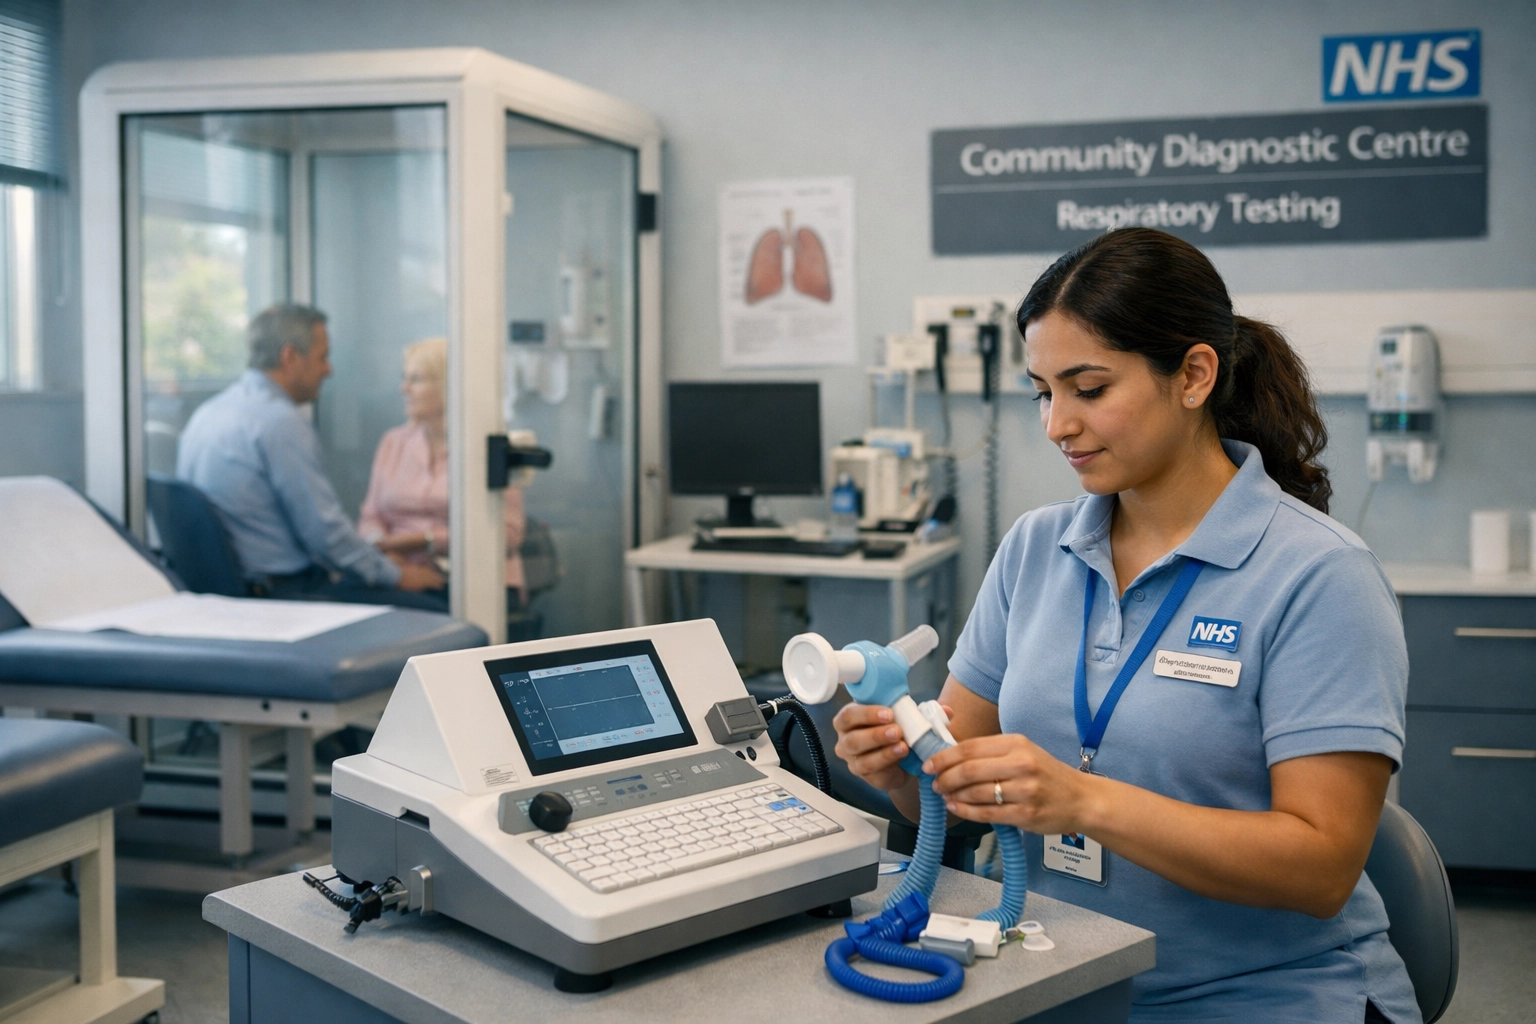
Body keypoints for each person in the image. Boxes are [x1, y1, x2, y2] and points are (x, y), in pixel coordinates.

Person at [833, 228, 1419, 1023]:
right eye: (1044, 391)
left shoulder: (1319, 577)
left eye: (1090, 388)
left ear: (1194, 376)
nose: (1057, 425)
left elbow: (1320, 868)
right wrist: (901, 771)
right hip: (1057, 980)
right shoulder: (1036, 549)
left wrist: (1084, 802)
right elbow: (962, 794)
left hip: (1266, 998)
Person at [176, 304, 447, 610]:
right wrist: (395, 575)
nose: (328, 370)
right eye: (322, 357)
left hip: (229, 591)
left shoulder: (210, 412)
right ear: (290, 357)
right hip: (283, 594)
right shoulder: (280, 422)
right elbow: (326, 535)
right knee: (439, 611)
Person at [358, 337, 527, 609]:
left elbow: (507, 536)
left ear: (448, 385)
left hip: (473, 581)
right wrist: (388, 556)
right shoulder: (393, 442)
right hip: (402, 575)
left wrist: (419, 542)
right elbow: (370, 517)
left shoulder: (488, 446)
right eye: (405, 378)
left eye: (417, 379)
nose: (404, 388)